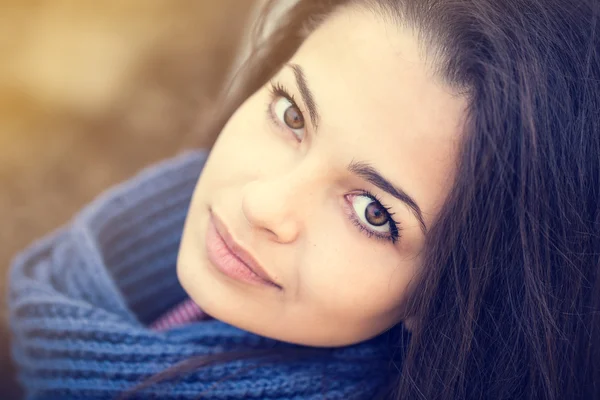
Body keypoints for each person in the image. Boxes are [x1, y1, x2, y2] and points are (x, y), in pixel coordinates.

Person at [8, 0, 600, 399]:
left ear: (453, 293)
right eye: (291, 114)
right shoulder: (100, 271)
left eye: (372, 213)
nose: (266, 206)